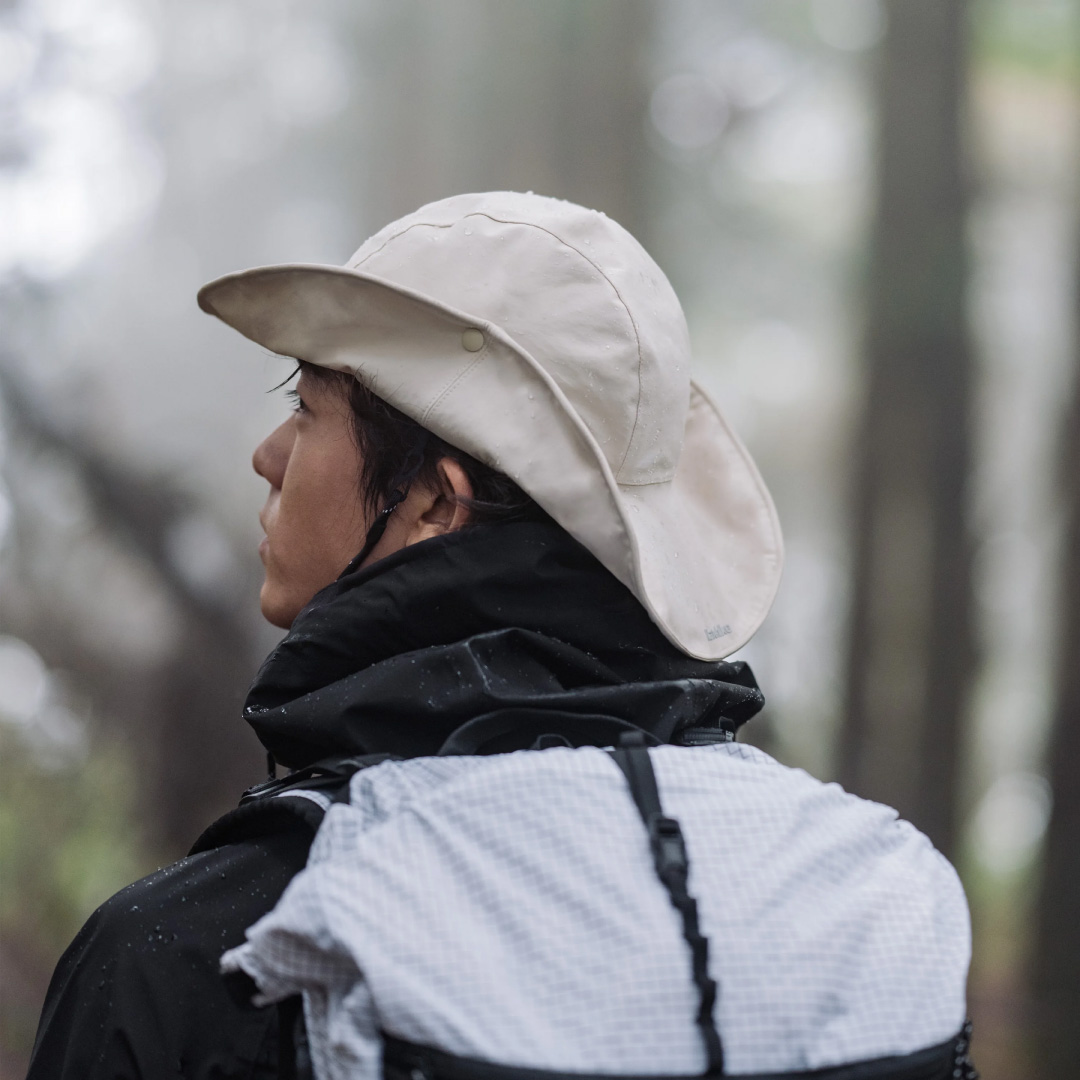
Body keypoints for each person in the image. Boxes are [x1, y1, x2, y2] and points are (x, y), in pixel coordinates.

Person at [26, 192, 975, 1080]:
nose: (266, 456)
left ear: (437, 502)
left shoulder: (207, 957)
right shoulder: (873, 898)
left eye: (307, 409)